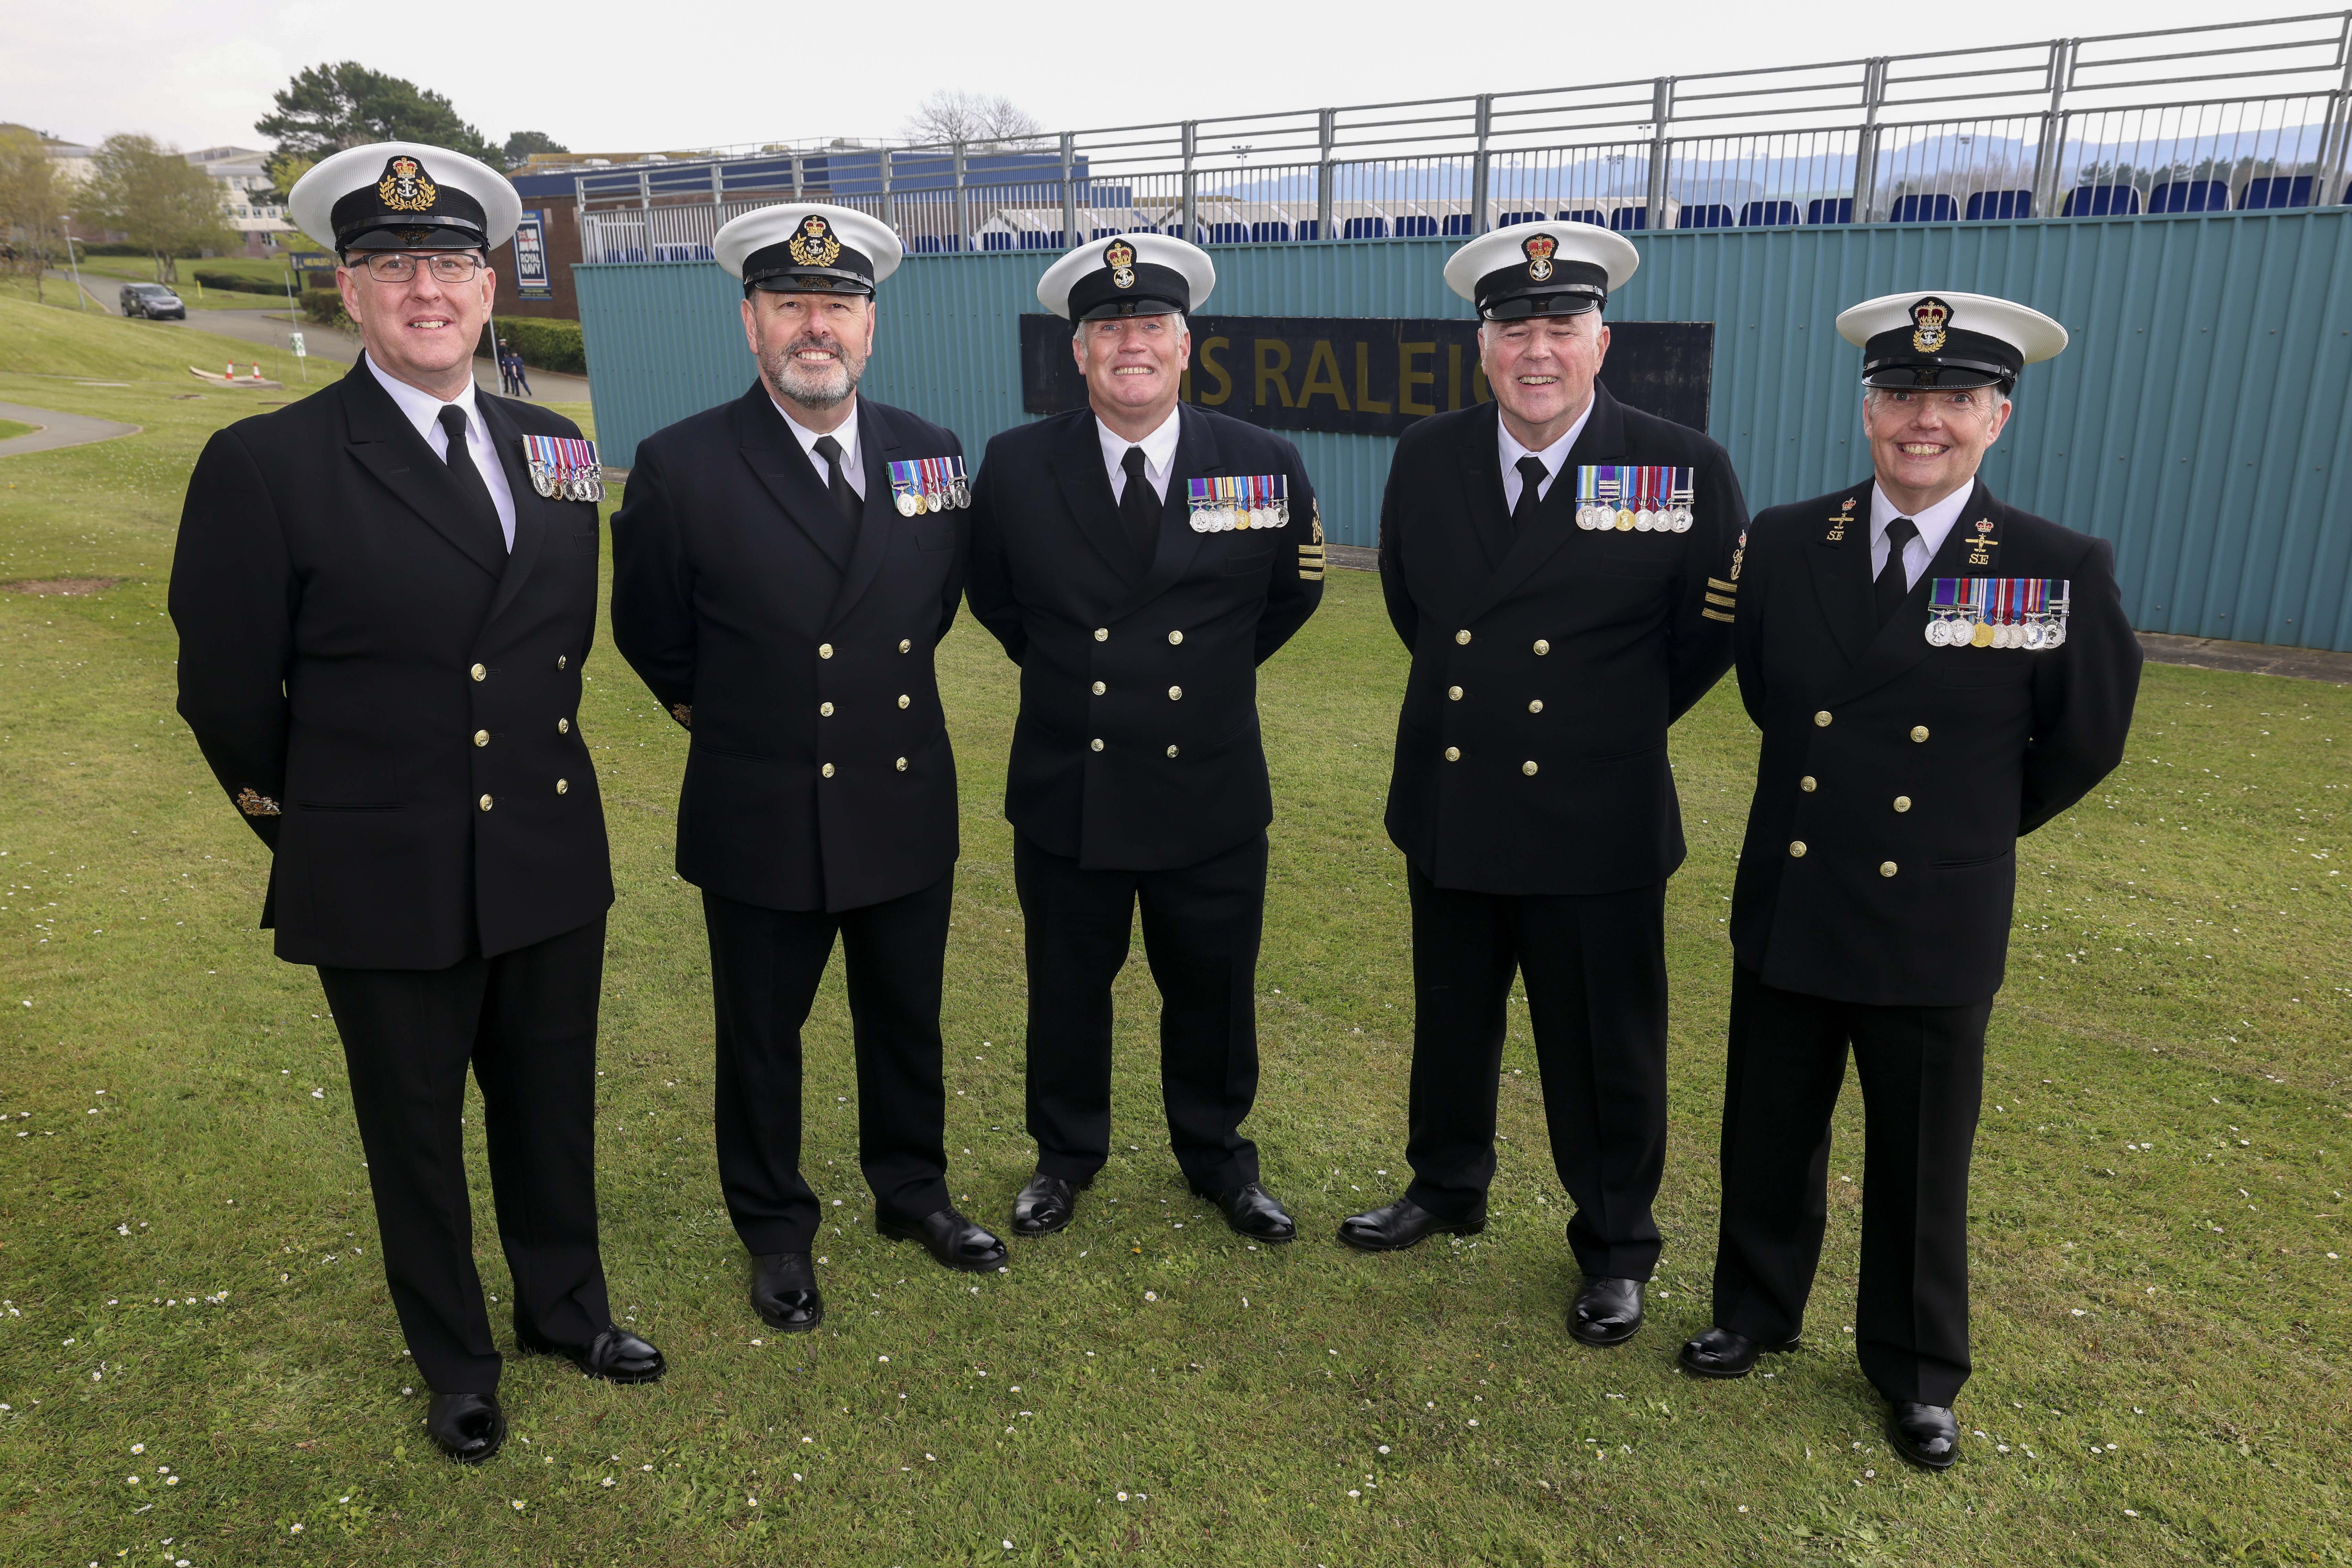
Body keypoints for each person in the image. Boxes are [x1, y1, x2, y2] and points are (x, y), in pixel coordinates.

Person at [169, 141, 664, 1467]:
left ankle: (569, 1309)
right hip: (380, 859)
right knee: (414, 1126)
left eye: (450, 263)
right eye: (394, 266)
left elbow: (558, 637)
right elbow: (223, 690)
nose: (426, 289)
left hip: (548, 846)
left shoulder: (555, 450)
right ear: (350, 289)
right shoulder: (267, 463)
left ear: (490, 287)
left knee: (551, 1102)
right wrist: (318, 816)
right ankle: (455, 1359)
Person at [1679, 291, 2141, 1470]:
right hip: (1798, 886)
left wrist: (1968, 830)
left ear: (1998, 417)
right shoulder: (1785, 539)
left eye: (1950, 400)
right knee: (1770, 1128)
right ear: (1868, 407)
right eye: (1898, 396)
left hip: (1934, 909)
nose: (1919, 421)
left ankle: (1919, 1369)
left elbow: (2084, 740)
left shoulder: (2052, 566)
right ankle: (1754, 1311)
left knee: (1923, 1155)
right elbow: (1771, 696)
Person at [1340, 223, 1748, 1351]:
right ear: (1483, 344)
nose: (1536, 348)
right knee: (1452, 1020)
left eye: (1560, 326)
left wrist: (1600, 726)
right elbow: (1418, 612)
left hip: (1598, 810)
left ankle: (1617, 1246)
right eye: (1513, 326)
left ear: (1601, 341)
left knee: (1604, 1048)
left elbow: (1703, 640)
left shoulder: (1680, 468)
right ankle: (1447, 1184)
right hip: (1455, 796)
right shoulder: (1431, 455)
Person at [610, 203, 1005, 1335]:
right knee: (761, 1036)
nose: (814, 326)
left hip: (899, 792)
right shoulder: (682, 465)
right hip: (760, 801)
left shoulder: (933, 453)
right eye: (791, 304)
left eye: (837, 305)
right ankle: (776, 1229)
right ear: (751, 322)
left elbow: (929, 608)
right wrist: (748, 720)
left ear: (871, 326)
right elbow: (653, 635)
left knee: (906, 1019)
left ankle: (911, 1193)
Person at [965, 233, 1324, 1243]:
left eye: (1150, 326)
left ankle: (1217, 1158)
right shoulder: (1018, 464)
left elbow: (1289, 598)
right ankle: (1065, 1156)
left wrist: (1202, 683)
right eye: (1108, 328)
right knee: (1067, 987)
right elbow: (997, 599)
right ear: (1077, 353)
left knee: (1213, 989)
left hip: (1205, 785)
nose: (1131, 344)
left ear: (1185, 344)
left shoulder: (1260, 463)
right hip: (1068, 784)